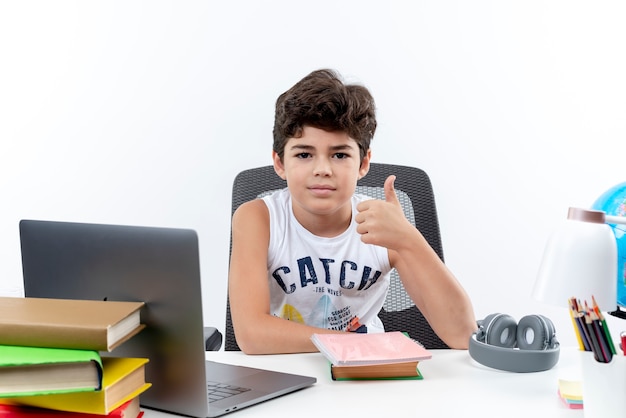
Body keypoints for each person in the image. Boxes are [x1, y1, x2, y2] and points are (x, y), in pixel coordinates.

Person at [228, 69, 477, 354]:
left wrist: (408, 239)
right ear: (280, 162)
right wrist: (354, 342)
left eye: (340, 155)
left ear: (363, 163)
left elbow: (462, 334)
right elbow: (251, 335)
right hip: (289, 365)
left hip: (366, 370)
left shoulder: (382, 226)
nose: (322, 169)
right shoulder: (259, 218)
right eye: (304, 154)